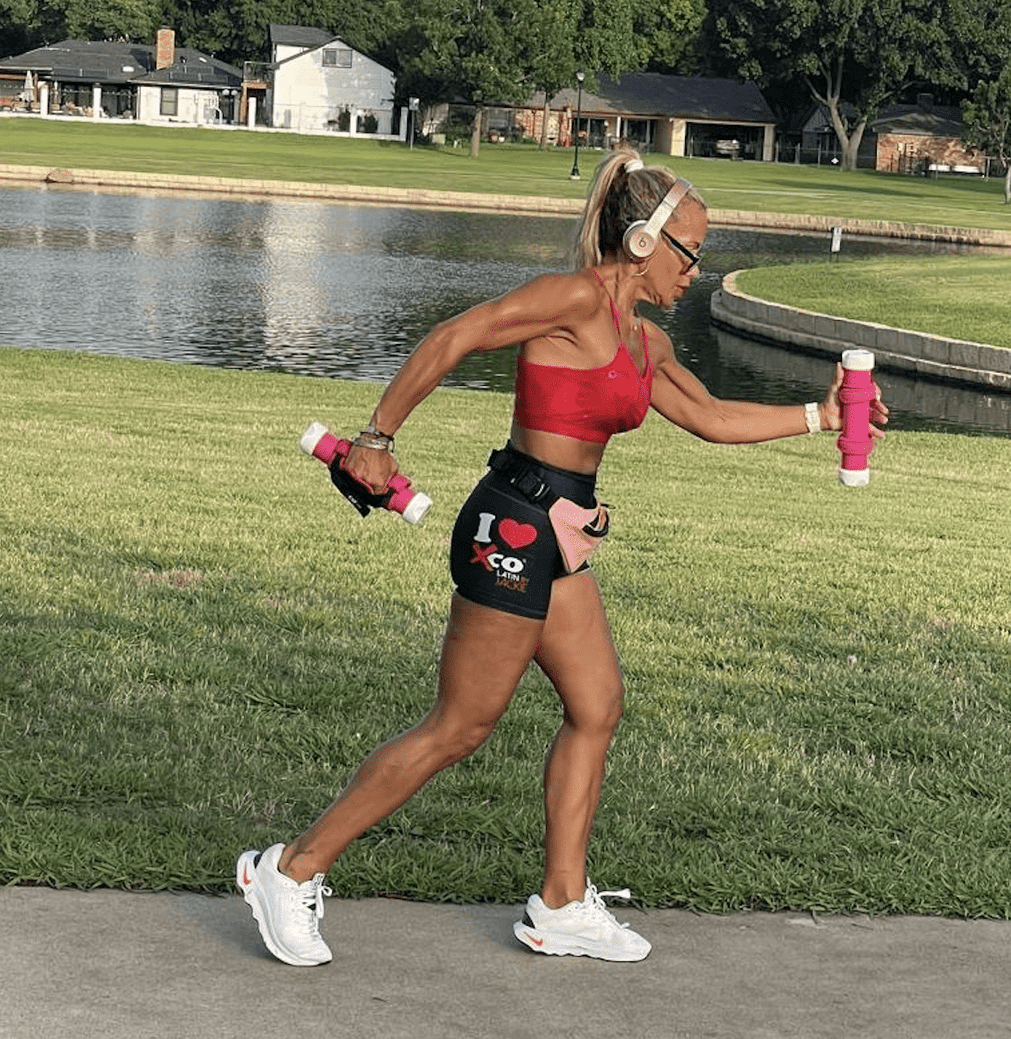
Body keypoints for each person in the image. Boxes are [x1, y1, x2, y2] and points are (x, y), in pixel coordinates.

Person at [237, 144, 887, 966]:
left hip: (561, 535)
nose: (698, 271)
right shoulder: (573, 301)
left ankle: (561, 903)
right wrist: (378, 437)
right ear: (644, 243)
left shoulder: (644, 342)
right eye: (691, 252)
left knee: (597, 704)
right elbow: (456, 336)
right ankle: (289, 869)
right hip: (510, 526)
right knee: (460, 726)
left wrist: (822, 417)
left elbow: (716, 418)